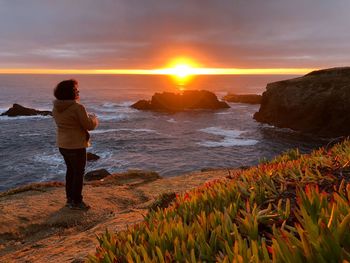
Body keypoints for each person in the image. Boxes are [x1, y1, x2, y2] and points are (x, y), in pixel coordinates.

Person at [52, 79, 98, 210]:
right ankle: (77, 202)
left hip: (63, 145)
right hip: (76, 146)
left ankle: (70, 200)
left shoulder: (56, 107)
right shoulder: (78, 107)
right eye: (76, 89)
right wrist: (94, 119)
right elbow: (88, 125)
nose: (78, 91)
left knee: (70, 172)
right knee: (78, 173)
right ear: (70, 92)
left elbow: (69, 122)